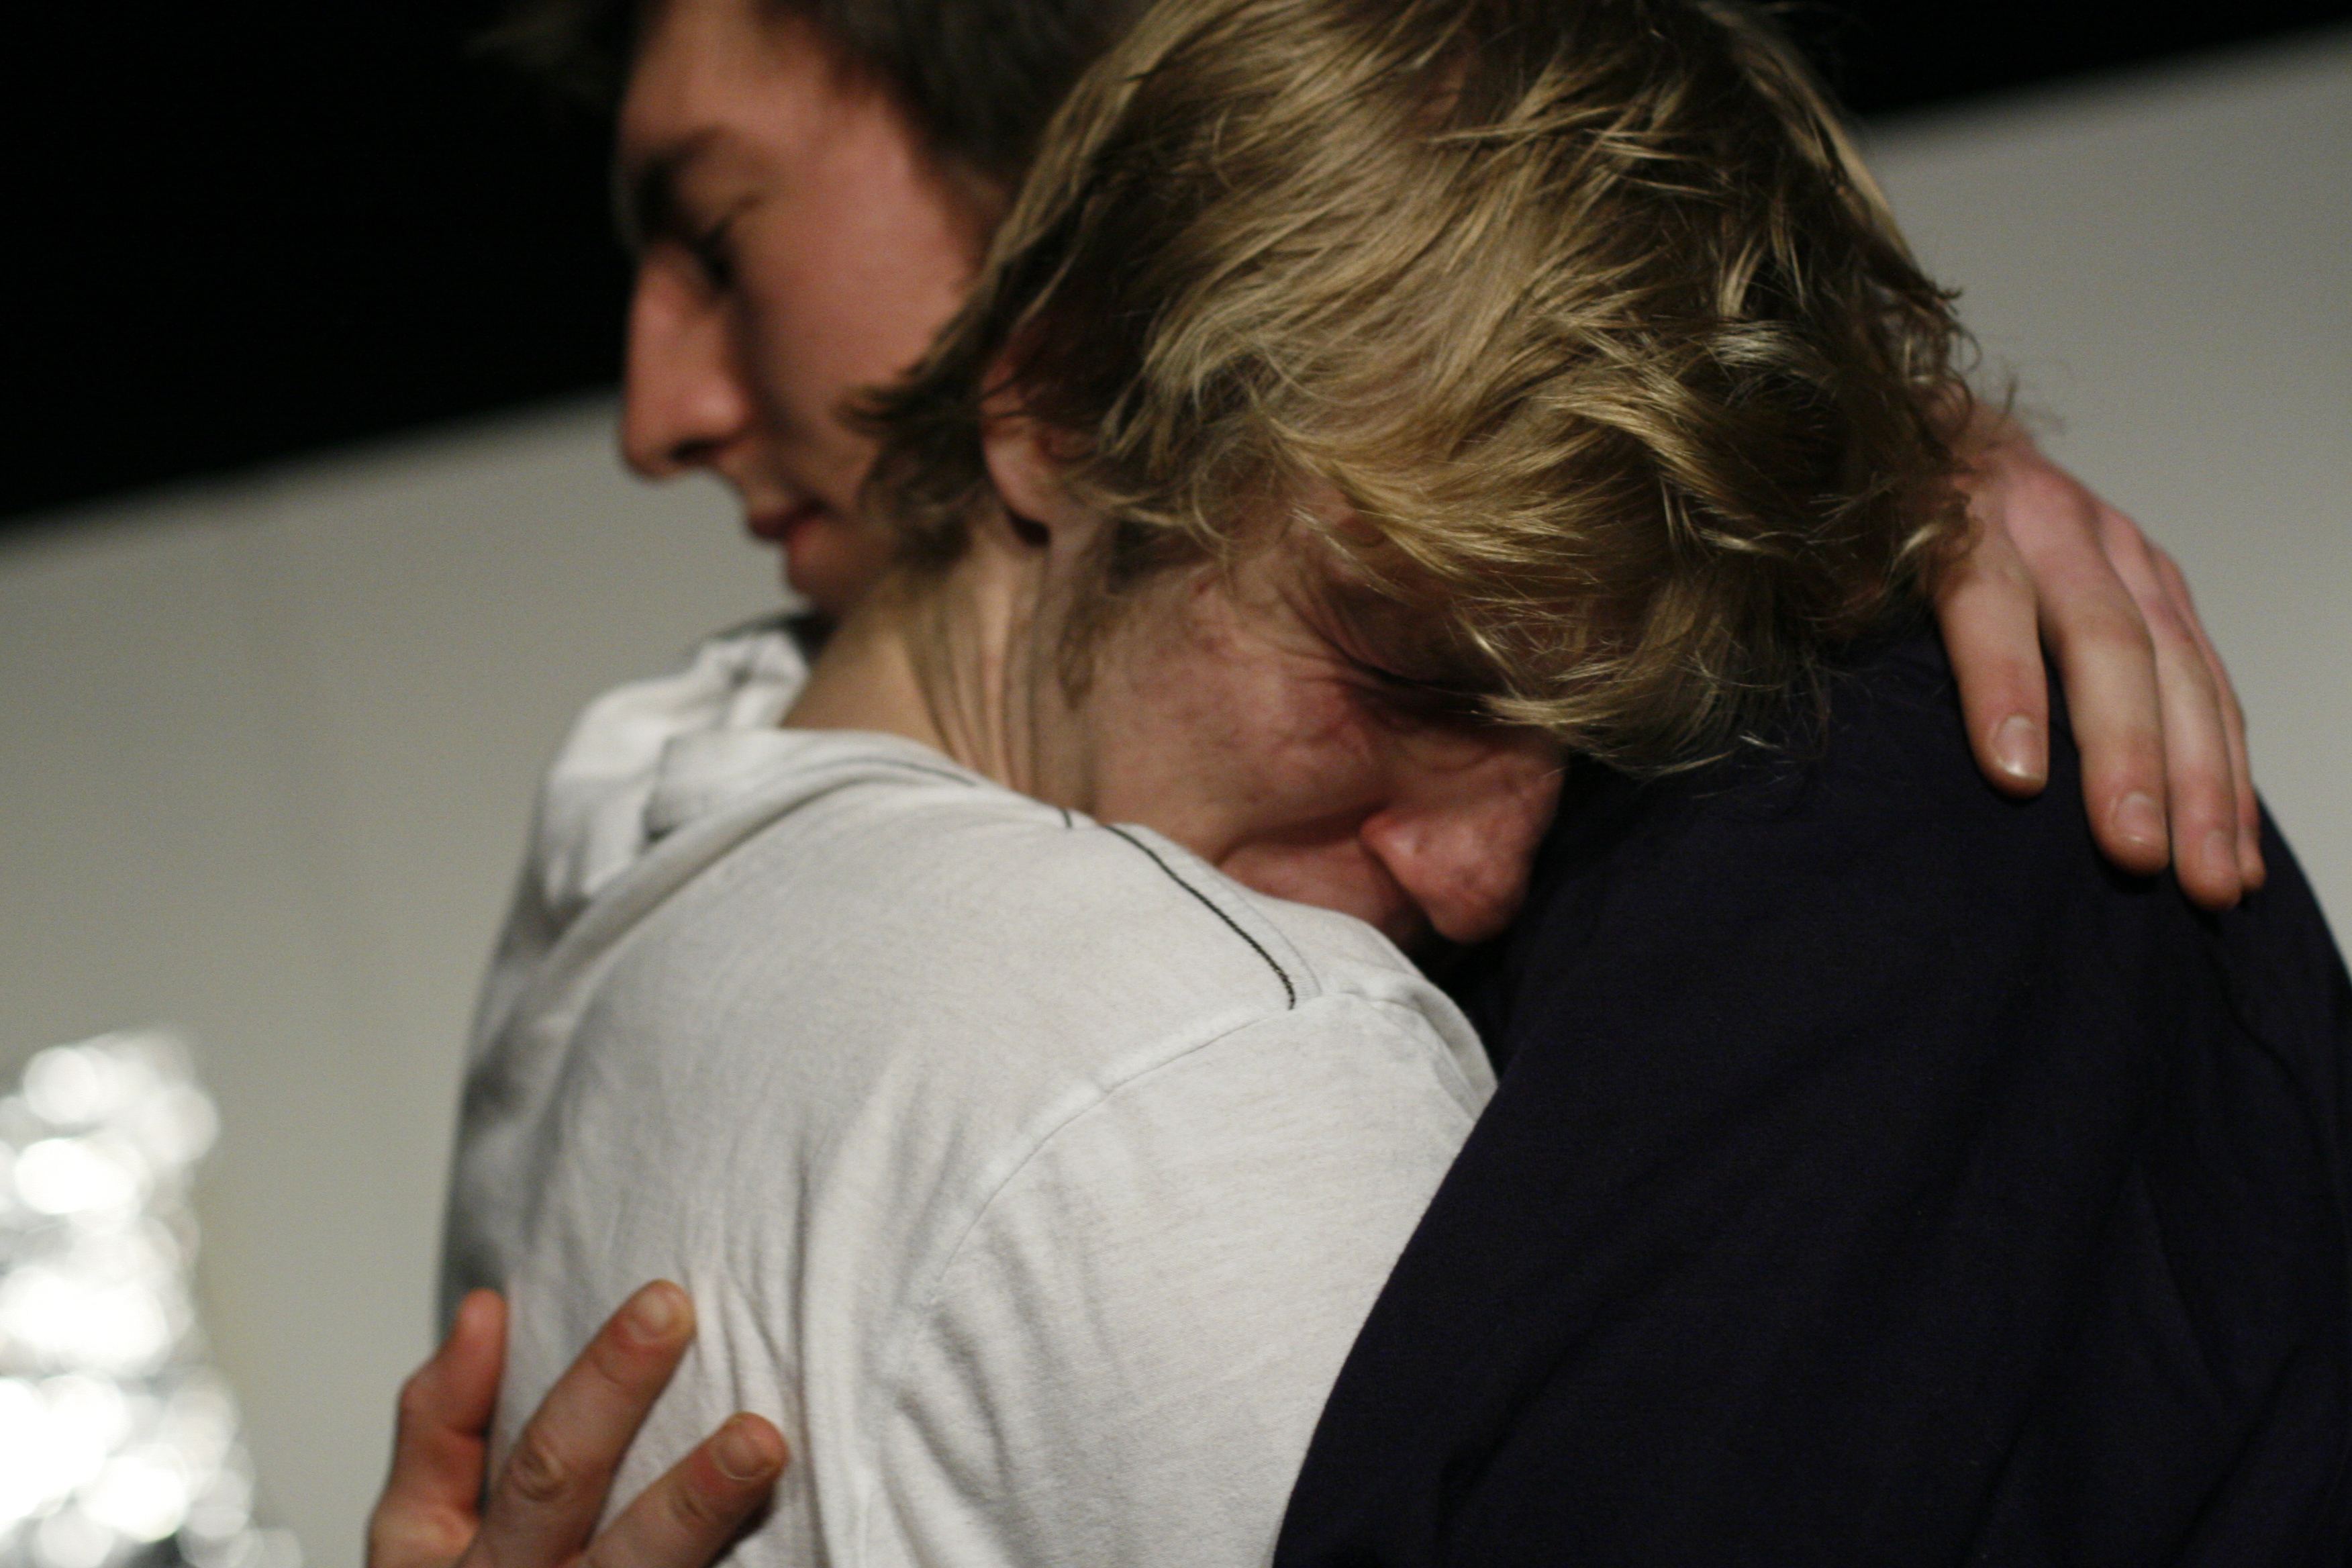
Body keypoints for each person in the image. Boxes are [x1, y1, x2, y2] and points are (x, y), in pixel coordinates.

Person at [384, 0, 2294, 1557]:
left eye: (1592, 740)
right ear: (1058, 404)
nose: (1479, 875)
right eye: (1403, 673)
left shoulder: (632, 837)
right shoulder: (1214, 1060)